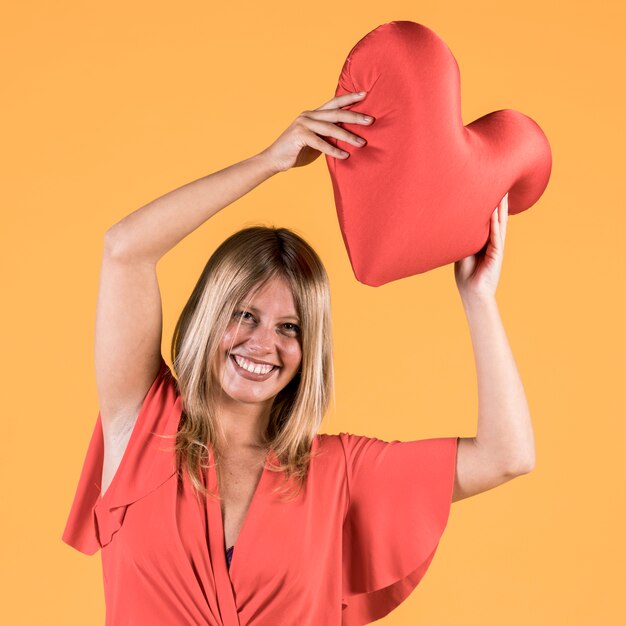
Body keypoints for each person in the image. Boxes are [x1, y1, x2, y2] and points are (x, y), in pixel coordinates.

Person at [62, 90, 536, 625]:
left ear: (309, 352)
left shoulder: (340, 473)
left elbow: (508, 454)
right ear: (208, 315)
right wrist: (270, 161)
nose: (264, 343)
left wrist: (479, 298)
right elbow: (124, 248)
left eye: (290, 327)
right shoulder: (143, 425)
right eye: (245, 315)